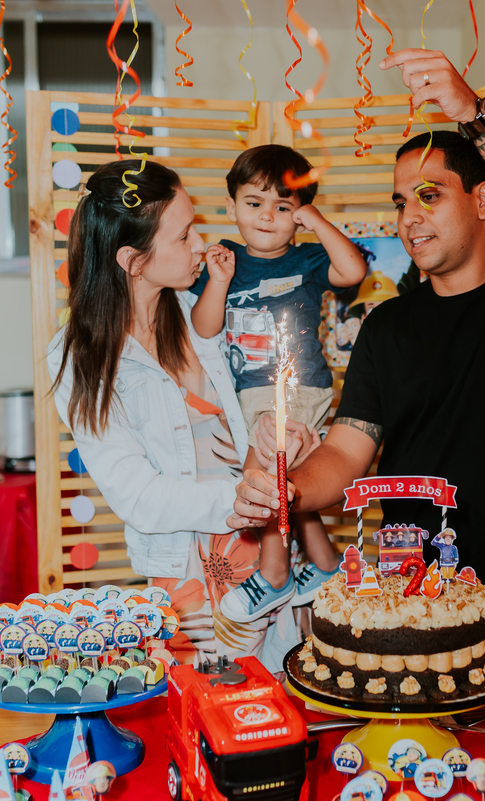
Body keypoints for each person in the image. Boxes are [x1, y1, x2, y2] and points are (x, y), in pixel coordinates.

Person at [230, 49, 485, 692]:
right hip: (411, 608)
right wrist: (283, 490)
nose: (409, 218)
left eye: (430, 195)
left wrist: (473, 118)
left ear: (484, 200)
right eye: (401, 201)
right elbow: (345, 454)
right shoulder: (386, 327)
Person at [47, 160, 313, 667]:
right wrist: (240, 499)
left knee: (286, 703)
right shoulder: (83, 357)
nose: (201, 245)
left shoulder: (198, 314)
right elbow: (139, 497)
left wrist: (269, 440)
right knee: (218, 716)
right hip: (190, 570)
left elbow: (227, 437)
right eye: (185, 234)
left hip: (271, 552)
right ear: (133, 259)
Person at [189, 145, 368, 624]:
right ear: (231, 208)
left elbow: (353, 271)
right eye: (254, 203)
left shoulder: (308, 259)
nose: (267, 216)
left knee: (265, 482)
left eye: (283, 207)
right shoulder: (223, 262)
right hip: (250, 395)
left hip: (297, 391)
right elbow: (204, 327)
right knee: (286, 483)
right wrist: (219, 282)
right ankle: (328, 564)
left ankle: (273, 574)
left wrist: (318, 222)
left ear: (299, 215)